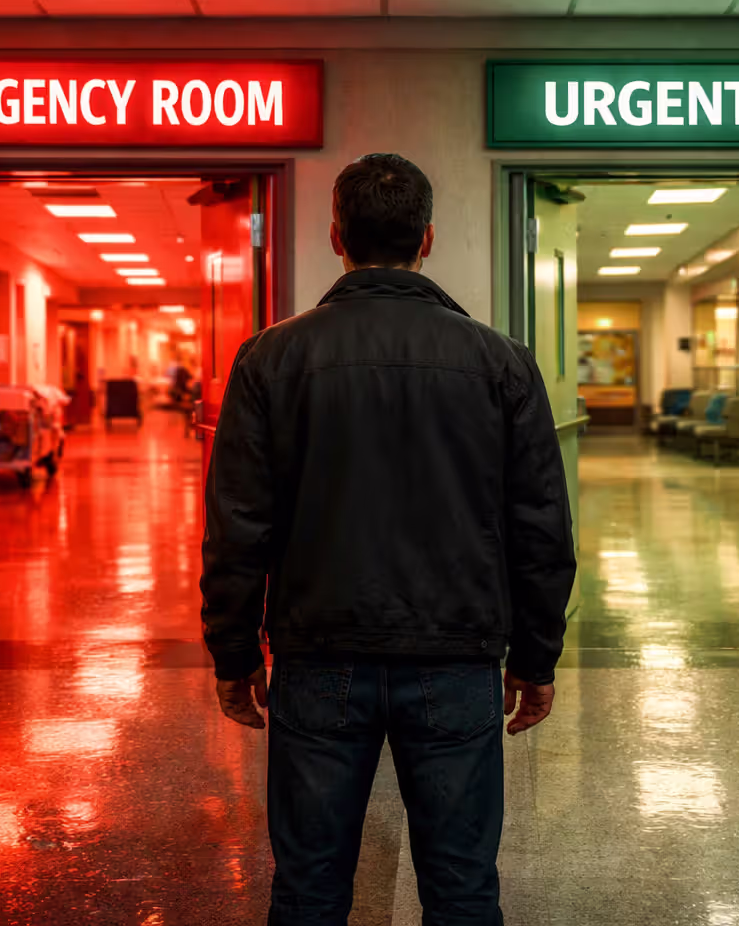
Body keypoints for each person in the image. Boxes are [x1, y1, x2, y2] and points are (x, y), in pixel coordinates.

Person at [200, 154, 575, 924]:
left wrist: (233, 656)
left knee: (308, 885)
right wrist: (535, 659)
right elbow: (539, 525)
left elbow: (238, 524)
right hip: (456, 658)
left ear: (337, 236)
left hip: (318, 657)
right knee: (463, 883)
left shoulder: (271, 357)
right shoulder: (500, 361)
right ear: (427, 239)